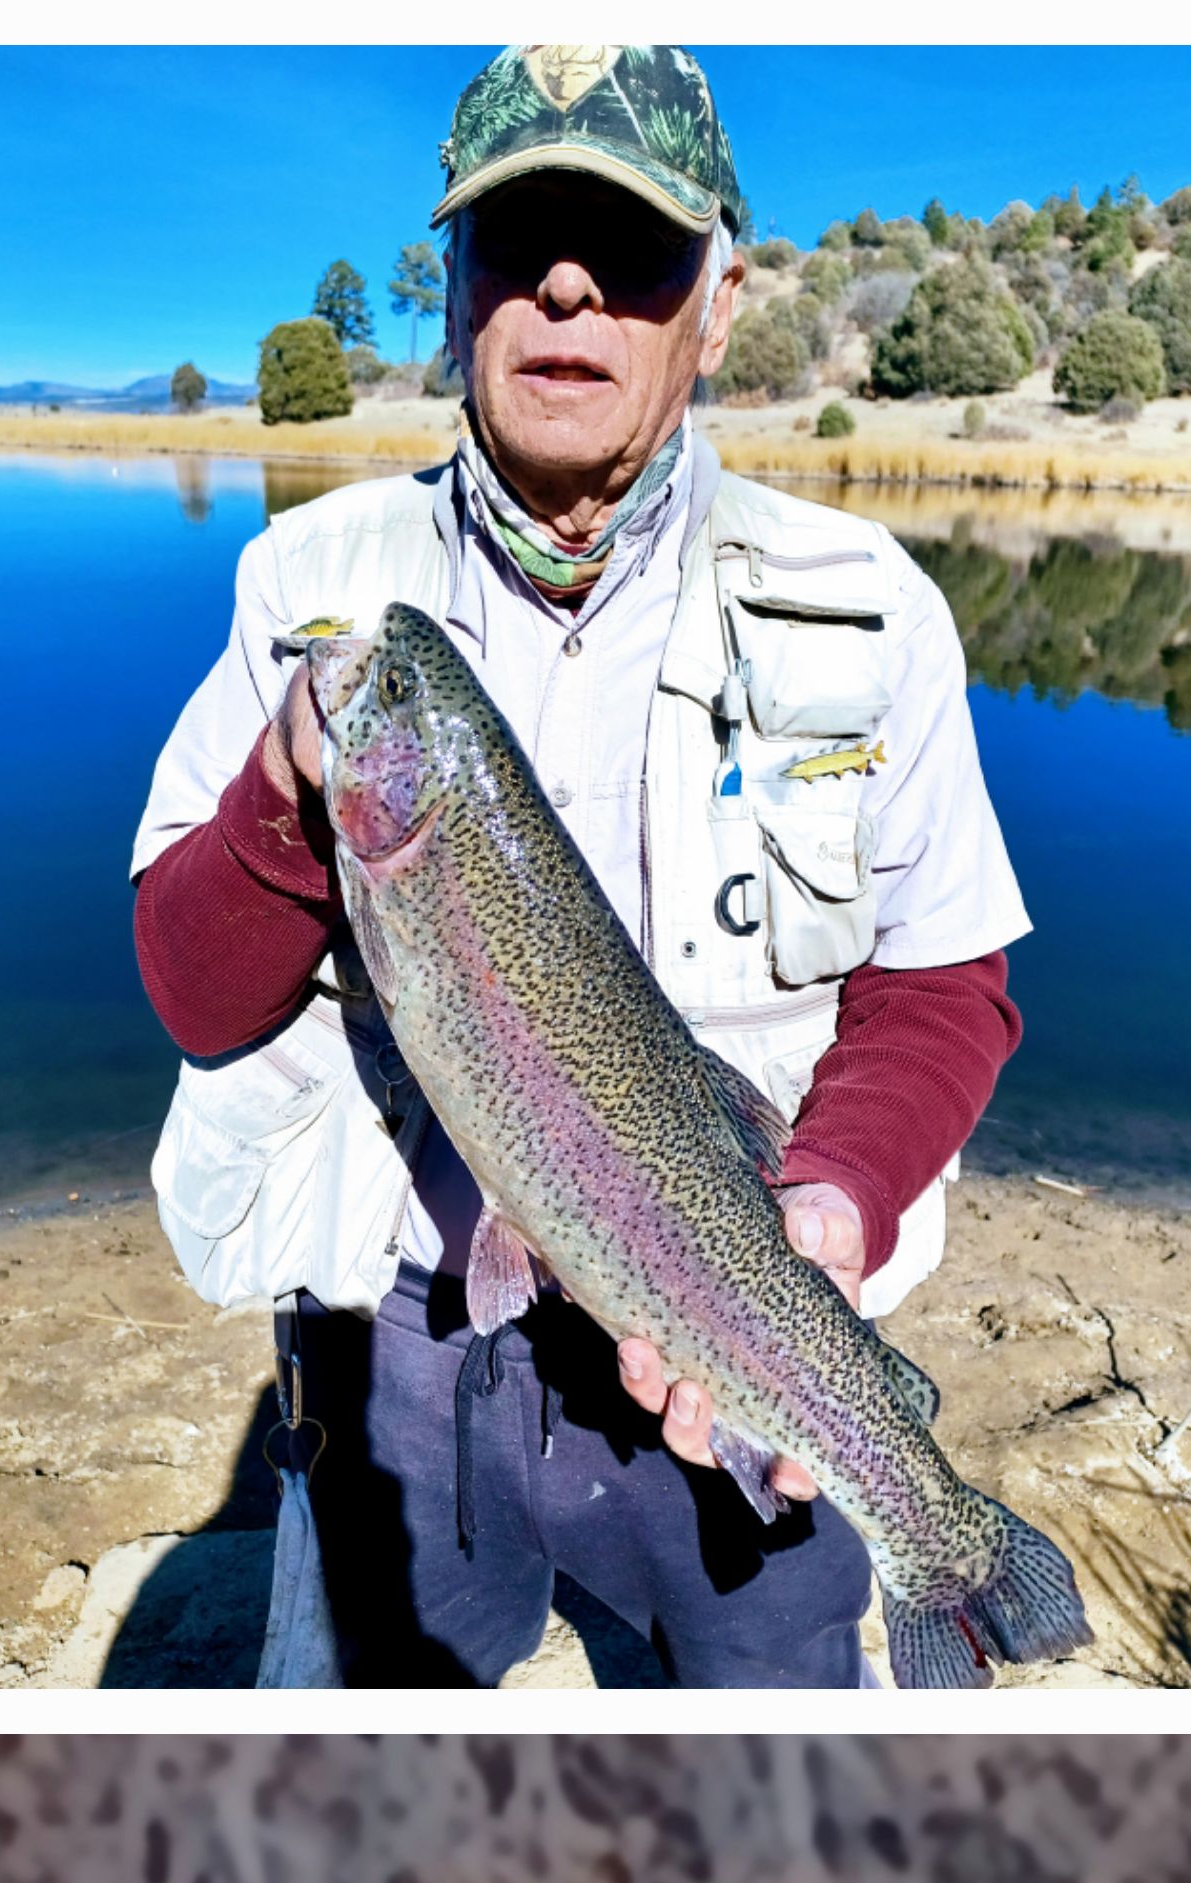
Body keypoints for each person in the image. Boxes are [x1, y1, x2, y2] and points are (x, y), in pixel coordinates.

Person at [134, 46, 1029, 1687]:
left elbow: (946, 987)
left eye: (629, 250)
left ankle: (946, 1555)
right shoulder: (311, 578)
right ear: (456, 284)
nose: (565, 285)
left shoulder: (869, 601)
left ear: (722, 299)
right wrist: (281, 785)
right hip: (405, 1364)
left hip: (737, 1330)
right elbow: (191, 992)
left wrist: (832, 1197)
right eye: (515, 238)